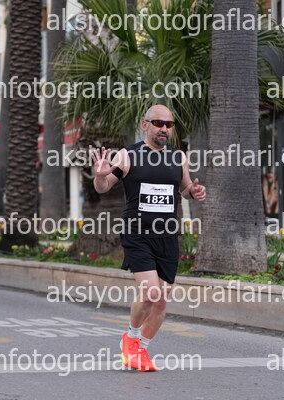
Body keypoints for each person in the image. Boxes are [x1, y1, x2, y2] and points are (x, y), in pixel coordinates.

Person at [91, 105, 206, 372]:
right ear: (145, 125)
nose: (164, 129)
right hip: (137, 234)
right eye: (158, 123)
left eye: (169, 125)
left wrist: (193, 191)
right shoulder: (128, 155)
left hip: (167, 236)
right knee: (151, 292)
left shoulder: (178, 157)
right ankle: (131, 338)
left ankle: (140, 348)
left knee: (161, 301)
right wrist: (99, 176)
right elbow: (103, 187)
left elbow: (184, 188)